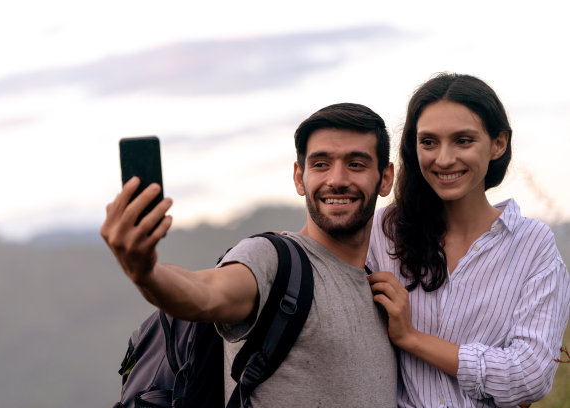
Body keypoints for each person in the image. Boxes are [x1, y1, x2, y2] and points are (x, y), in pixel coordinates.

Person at [101, 103, 398, 407]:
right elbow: (204, 293)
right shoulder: (273, 261)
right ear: (299, 177)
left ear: (385, 178)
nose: (336, 179)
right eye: (320, 164)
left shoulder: (385, 290)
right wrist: (146, 272)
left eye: (356, 164)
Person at [367, 73, 570, 407]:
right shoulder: (384, 232)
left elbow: (530, 377)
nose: (444, 159)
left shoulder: (533, 245)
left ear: (498, 143)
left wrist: (411, 338)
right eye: (428, 142)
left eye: (463, 140)